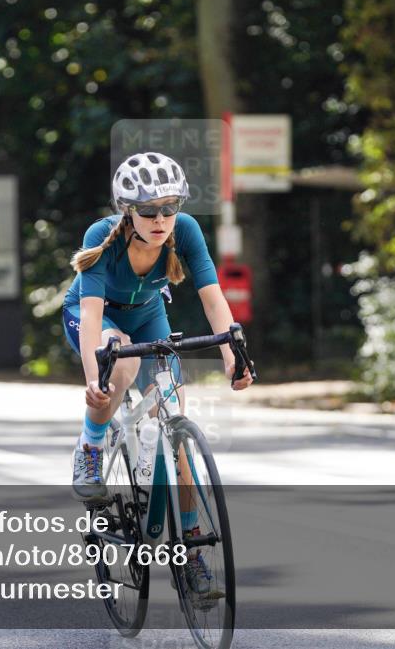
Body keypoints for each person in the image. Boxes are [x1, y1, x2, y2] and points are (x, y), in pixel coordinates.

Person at [62, 151, 253, 593]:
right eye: (148, 210)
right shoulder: (102, 236)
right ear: (128, 211)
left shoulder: (185, 231)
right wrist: (95, 380)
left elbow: (211, 296)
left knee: (175, 430)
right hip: (97, 316)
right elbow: (90, 315)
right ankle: (90, 447)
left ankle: (189, 553)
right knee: (122, 359)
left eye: (170, 207)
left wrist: (232, 357)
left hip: (149, 315)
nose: (160, 218)